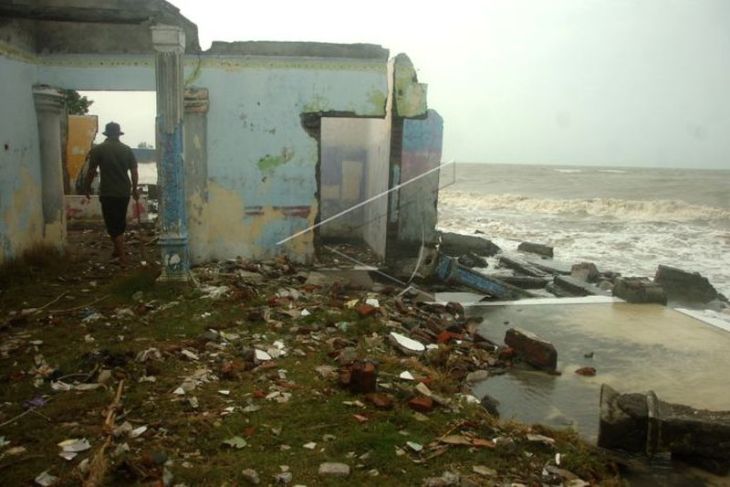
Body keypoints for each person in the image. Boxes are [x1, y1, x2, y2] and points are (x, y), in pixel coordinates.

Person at [84, 121, 139, 267]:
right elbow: (134, 171)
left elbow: (91, 171)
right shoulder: (127, 150)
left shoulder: (99, 149)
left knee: (111, 224)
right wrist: (134, 189)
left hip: (108, 192)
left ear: (107, 134)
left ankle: (122, 257)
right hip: (123, 192)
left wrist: (86, 187)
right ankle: (117, 250)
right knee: (119, 221)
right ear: (118, 134)